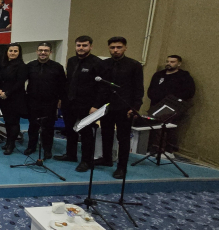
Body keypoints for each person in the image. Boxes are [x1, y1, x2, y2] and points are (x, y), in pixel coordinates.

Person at [94, 37, 144, 179]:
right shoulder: (103, 64)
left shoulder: (134, 65)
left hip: (124, 107)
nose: (115, 50)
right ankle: (107, 159)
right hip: (107, 107)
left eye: (119, 47)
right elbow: (100, 87)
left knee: (123, 138)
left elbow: (138, 88)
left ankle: (122, 167)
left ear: (125, 48)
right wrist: (96, 105)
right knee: (106, 134)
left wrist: (135, 107)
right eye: (112, 47)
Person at [54, 36, 102, 171]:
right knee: (70, 130)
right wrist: (61, 98)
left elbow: (101, 88)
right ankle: (71, 155)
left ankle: (86, 161)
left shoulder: (97, 63)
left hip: (86, 105)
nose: (81, 48)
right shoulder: (71, 61)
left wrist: (96, 105)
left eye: (84, 45)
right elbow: (68, 82)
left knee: (86, 133)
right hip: (69, 103)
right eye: (79, 45)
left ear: (91, 46)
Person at [146, 54, 195, 155]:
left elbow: (189, 92)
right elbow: (151, 90)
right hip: (156, 106)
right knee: (154, 127)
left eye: (172, 62)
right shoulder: (158, 75)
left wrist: (171, 99)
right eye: (167, 61)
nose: (169, 63)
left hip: (172, 107)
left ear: (179, 64)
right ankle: (153, 148)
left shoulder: (184, 77)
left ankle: (167, 149)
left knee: (168, 129)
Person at [25, 43, 66, 160]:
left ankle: (47, 149)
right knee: (33, 126)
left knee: (48, 127)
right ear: (37, 51)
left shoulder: (57, 67)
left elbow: (63, 85)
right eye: (41, 50)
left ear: (50, 52)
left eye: (46, 50)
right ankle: (31, 146)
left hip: (50, 102)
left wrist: (60, 99)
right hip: (33, 101)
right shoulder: (30, 66)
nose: (43, 52)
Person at [0, 43, 28, 155]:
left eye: (15, 51)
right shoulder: (4, 64)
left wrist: (7, 93)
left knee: (13, 122)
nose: (12, 53)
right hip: (3, 97)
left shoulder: (22, 66)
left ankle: (11, 144)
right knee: (7, 121)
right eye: (10, 51)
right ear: (7, 52)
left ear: (19, 53)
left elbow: (19, 83)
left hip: (15, 98)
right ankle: (8, 142)